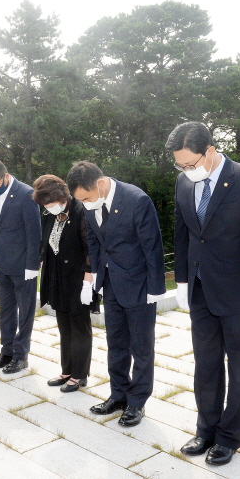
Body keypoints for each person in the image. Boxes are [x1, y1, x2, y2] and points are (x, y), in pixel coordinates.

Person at [166, 121, 240, 466]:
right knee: (206, 364)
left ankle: (230, 436)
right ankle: (206, 429)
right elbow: (183, 233)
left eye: (191, 163)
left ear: (209, 151)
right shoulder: (184, 182)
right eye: (180, 165)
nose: (186, 171)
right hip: (200, 291)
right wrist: (182, 281)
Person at [67, 161, 165, 427]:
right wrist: (95, 278)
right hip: (111, 284)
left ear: (99, 184)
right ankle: (118, 395)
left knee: (141, 348)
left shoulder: (136, 200)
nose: (84, 204)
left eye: (86, 198)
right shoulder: (91, 204)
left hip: (139, 285)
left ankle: (137, 402)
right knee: (117, 344)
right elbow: (97, 243)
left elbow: (152, 247)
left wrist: (156, 288)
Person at [32, 174, 98, 392]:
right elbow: (46, 242)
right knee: (64, 326)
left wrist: (88, 282)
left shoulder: (81, 210)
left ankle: (80, 375)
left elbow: (90, 248)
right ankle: (67, 369)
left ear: (62, 196)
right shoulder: (50, 214)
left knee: (79, 327)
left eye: (50, 203)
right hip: (58, 277)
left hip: (79, 278)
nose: (48, 208)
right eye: (45, 205)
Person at [0, 159, 41, 374]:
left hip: (23, 264)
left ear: (5, 175)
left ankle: (21, 356)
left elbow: (34, 232)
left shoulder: (26, 194)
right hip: (1, 262)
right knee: (5, 310)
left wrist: (33, 264)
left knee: (25, 312)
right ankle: (6, 351)